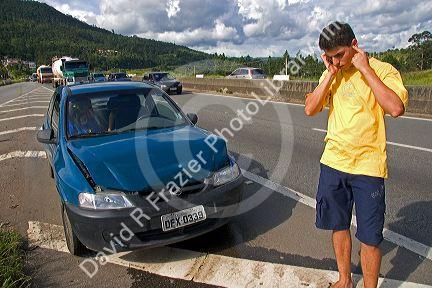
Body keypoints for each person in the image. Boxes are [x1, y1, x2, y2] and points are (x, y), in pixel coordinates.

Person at [305, 22, 408, 288]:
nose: (336, 62)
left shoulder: (383, 70)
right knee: (338, 225)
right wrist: (328, 74)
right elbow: (310, 108)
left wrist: (365, 69)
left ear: (355, 46)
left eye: (339, 55)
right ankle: (344, 280)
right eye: (329, 57)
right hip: (333, 162)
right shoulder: (332, 72)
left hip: (368, 167)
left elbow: (395, 107)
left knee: (370, 237)